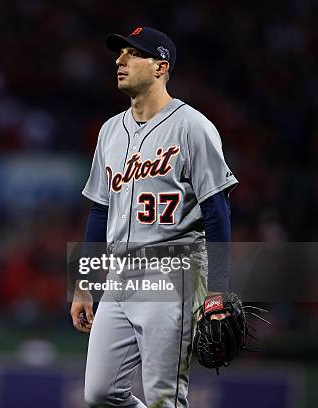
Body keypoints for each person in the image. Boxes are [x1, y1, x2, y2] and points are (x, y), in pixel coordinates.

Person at [70, 27, 238, 407]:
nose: (120, 61)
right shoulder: (110, 131)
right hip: (117, 273)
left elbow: (217, 210)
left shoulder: (193, 127)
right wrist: (83, 283)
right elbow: (99, 211)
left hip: (173, 271)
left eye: (133, 54)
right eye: (120, 54)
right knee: (99, 393)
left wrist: (217, 291)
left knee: (165, 397)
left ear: (161, 67)